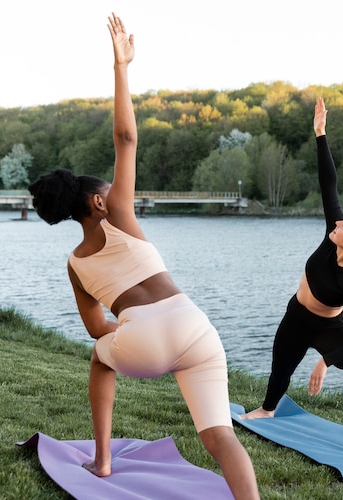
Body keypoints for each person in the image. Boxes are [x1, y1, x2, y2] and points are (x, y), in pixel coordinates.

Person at [28, 13, 259, 499]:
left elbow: (96, 330)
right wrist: (122, 67)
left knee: (99, 358)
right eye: (110, 190)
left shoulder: (75, 263)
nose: (117, 193)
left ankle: (104, 460)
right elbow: (127, 139)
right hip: (197, 327)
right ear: (97, 202)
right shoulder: (118, 216)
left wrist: (129, 333)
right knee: (220, 437)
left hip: (144, 340)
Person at [241, 97, 343, 464]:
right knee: (281, 369)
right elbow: (331, 184)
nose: (338, 223)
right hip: (297, 317)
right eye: (341, 220)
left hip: (329, 329)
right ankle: (267, 409)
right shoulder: (334, 233)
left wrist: (327, 361)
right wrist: (320, 134)